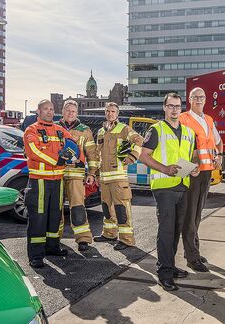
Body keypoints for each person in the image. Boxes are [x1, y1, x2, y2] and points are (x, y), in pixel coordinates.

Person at [139, 92, 199, 291]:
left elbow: (193, 156)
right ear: (164, 108)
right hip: (164, 187)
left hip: (183, 185)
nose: (174, 110)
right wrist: (164, 168)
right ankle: (164, 273)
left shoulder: (190, 132)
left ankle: (170, 266)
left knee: (176, 230)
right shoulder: (156, 130)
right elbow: (143, 156)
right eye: (170, 106)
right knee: (166, 231)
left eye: (177, 106)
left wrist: (195, 167)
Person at [23, 100, 73, 268]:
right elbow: (34, 151)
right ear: (38, 111)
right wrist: (57, 159)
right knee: (38, 217)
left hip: (57, 180)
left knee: (54, 215)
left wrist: (77, 159)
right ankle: (36, 255)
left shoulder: (60, 130)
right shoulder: (32, 130)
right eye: (46, 109)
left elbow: (73, 146)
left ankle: (53, 247)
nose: (50, 112)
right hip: (39, 181)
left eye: (52, 109)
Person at [178, 87, 223, 273]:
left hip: (206, 173)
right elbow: (177, 148)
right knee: (189, 215)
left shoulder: (209, 120)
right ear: (189, 99)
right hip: (191, 173)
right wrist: (188, 169)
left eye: (202, 97)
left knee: (197, 215)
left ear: (205, 100)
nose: (199, 99)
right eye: (195, 96)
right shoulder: (183, 119)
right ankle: (191, 257)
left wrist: (219, 155)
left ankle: (193, 249)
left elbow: (217, 141)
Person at [93, 102, 144, 251]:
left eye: (113, 111)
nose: (110, 114)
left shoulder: (124, 129)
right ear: (105, 113)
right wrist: (96, 173)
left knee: (121, 209)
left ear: (117, 113)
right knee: (107, 208)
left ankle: (126, 239)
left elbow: (139, 140)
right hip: (104, 178)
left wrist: (133, 156)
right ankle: (109, 233)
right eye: (108, 111)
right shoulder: (101, 132)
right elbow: (98, 154)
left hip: (118, 177)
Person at [57, 100, 98, 252]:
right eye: (68, 110)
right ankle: (54, 238)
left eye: (73, 111)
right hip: (56, 175)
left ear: (77, 113)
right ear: (63, 111)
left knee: (78, 208)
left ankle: (83, 239)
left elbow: (92, 154)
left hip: (76, 175)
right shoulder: (54, 128)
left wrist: (92, 173)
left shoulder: (84, 130)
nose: (71, 113)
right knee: (55, 208)